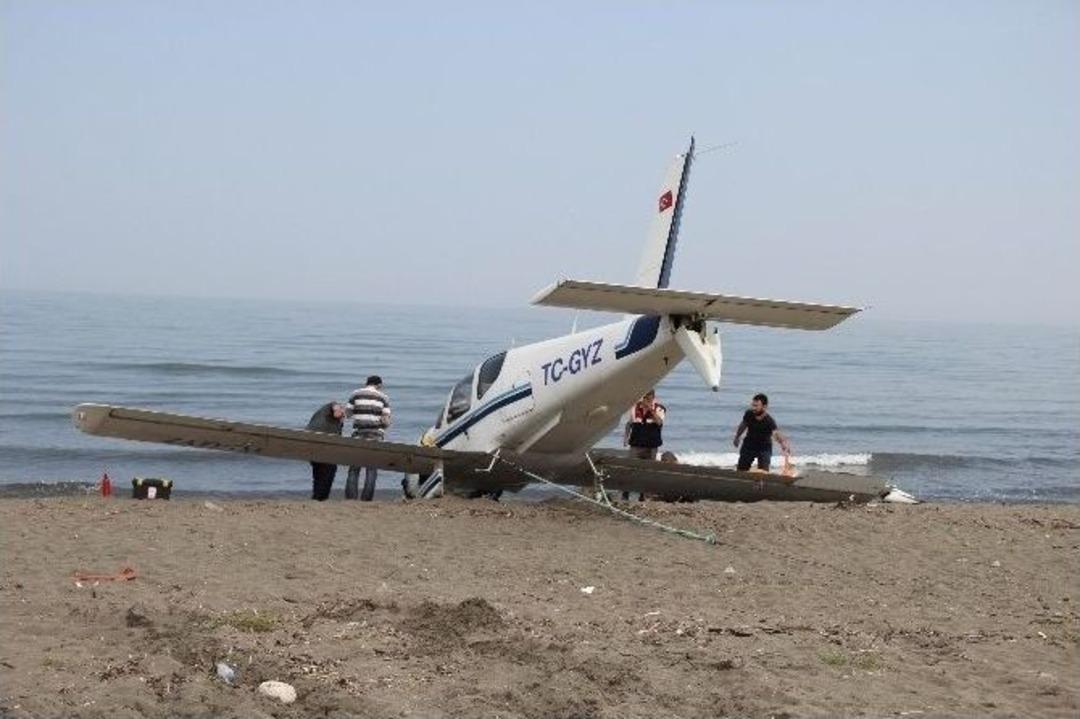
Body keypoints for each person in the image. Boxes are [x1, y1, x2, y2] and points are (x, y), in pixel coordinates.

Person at [345, 375, 391, 501]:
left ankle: (351, 498)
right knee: (371, 469)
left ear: (366, 383)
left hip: (358, 434)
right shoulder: (383, 397)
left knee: (354, 468)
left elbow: (347, 414)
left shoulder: (355, 394)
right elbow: (385, 420)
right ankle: (366, 500)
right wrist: (384, 425)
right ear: (379, 385)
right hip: (375, 435)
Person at [622, 389, 666, 500]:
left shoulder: (660, 408)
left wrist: (650, 409)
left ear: (653, 396)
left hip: (651, 446)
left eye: (648, 397)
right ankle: (625, 493)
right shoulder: (635, 408)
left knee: (647, 471)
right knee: (630, 469)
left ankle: (642, 495)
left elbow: (659, 422)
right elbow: (629, 424)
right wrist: (625, 438)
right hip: (636, 444)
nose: (645, 399)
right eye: (644, 397)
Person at [732, 393, 791, 472]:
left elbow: (776, 434)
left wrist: (783, 444)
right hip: (749, 444)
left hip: (764, 447)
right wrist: (737, 437)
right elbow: (743, 425)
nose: (753, 408)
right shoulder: (749, 414)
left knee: (763, 472)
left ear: (764, 407)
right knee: (741, 470)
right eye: (753, 405)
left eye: (756, 406)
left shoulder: (769, 421)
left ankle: (760, 483)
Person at [306, 402, 345, 501]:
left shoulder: (321, 414)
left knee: (318, 472)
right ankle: (321, 497)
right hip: (322, 445)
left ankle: (317, 496)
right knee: (329, 470)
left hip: (311, 443)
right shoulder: (332, 406)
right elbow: (335, 407)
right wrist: (338, 411)